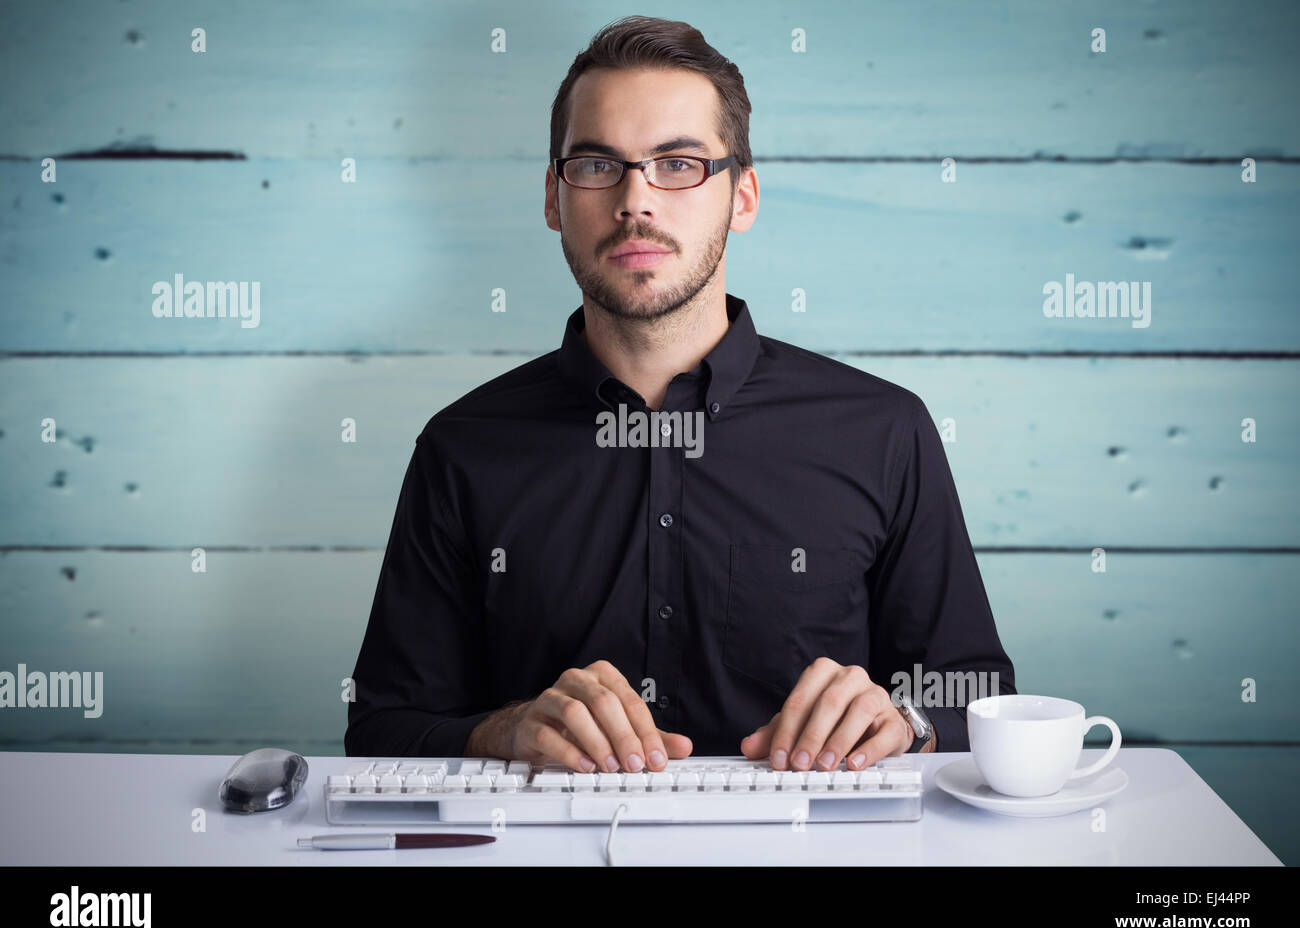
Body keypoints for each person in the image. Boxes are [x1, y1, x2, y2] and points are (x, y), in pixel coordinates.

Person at [345, 15, 1015, 773]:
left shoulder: (884, 429)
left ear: (743, 197)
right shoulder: (464, 446)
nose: (636, 200)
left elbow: (977, 693)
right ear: (552, 198)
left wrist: (907, 718)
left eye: (679, 164)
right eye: (598, 165)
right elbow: (382, 732)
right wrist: (503, 730)